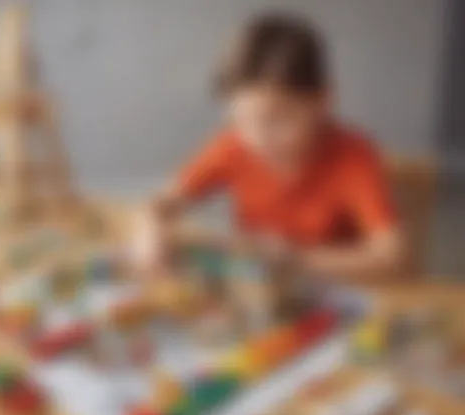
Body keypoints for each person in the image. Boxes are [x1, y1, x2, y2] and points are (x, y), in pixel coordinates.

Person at [136, 12, 403, 281]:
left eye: (278, 119)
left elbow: (391, 257)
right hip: (261, 291)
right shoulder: (233, 145)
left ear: (324, 100)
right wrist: (150, 229)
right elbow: (161, 202)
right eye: (241, 119)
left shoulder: (353, 156)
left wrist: (296, 258)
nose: (258, 137)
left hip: (332, 290)